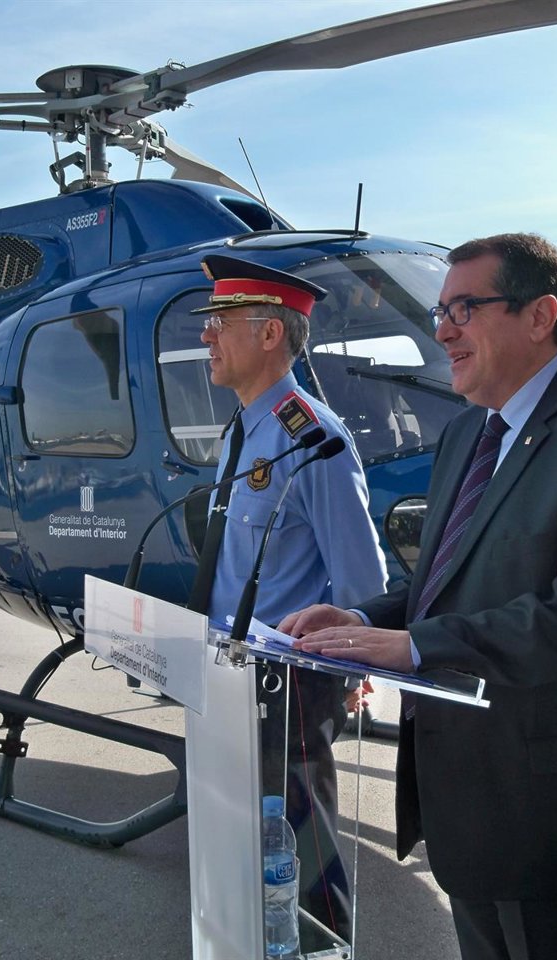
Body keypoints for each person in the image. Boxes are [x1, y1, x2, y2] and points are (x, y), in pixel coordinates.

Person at [280, 233, 557, 959]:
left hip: (545, 815)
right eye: (439, 311)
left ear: (540, 315)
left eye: (464, 308)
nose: (440, 331)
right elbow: (445, 581)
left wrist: (418, 646)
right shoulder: (468, 433)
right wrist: (366, 617)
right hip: (462, 806)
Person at [186, 254, 388, 943]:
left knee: (305, 860)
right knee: (240, 851)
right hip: (228, 671)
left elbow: (362, 579)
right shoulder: (244, 429)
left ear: (270, 335)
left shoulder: (313, 439)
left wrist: (357, 664)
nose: (206, 337)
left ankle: (329, 952)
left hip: (290, 687)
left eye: (220, 323)